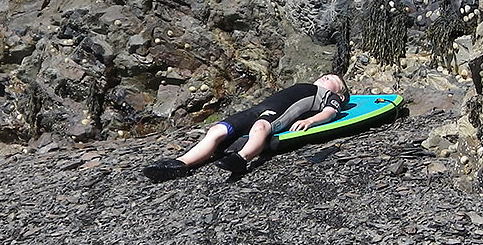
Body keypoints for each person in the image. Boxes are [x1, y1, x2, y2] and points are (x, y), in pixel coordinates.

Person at [143, 74, 349, 182]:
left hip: (273, 114)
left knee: (260, 127)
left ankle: (242, 159)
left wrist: (311, 121)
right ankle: (181, 163)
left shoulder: (328, 96)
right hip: (256, 109)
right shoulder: (305, 85)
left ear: (339, 94)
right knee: (216, 130)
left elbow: (330, 112)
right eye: (325, 75)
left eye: (333, 79)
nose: (326, 77)